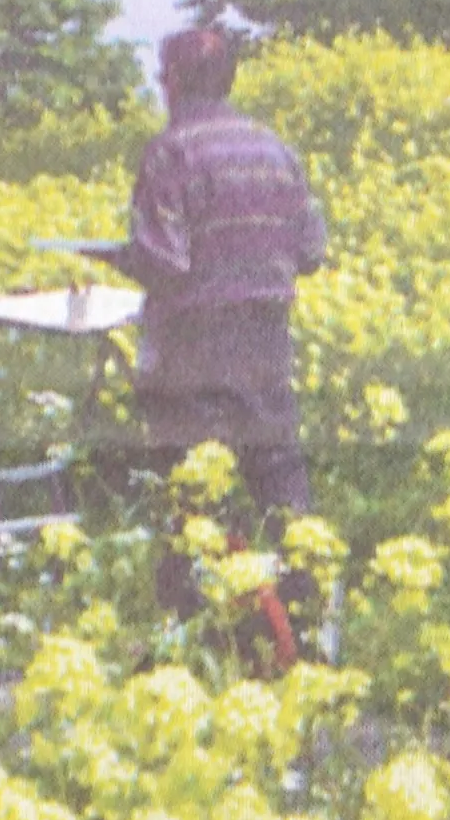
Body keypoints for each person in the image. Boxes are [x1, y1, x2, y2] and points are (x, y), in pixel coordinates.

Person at [117, 26, 329, 537]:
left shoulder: (170, 152)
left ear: (177, 82)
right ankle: (306, 599)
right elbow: (311, 251)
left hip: (194, 342)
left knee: (190, 495)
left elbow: (166, 262)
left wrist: (123, 259)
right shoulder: (276, 149)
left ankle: (200, 606)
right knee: (279, 481)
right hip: (266, 338)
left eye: (163, 76)